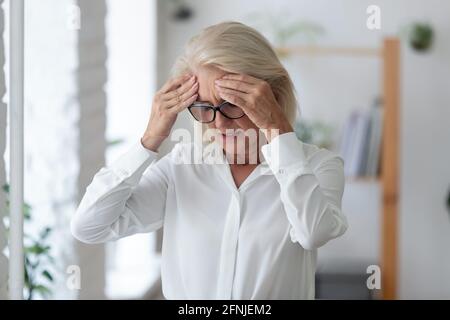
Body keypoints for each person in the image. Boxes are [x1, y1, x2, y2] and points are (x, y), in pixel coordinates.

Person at [70, 21, 348, 299]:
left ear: (270, 96)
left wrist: (277, 127)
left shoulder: (319, 166)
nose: (219, 124)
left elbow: (313, 232)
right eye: (204, 108)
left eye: (232, 104)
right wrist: (150, 140)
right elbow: (89, 226)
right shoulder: (182, 166)